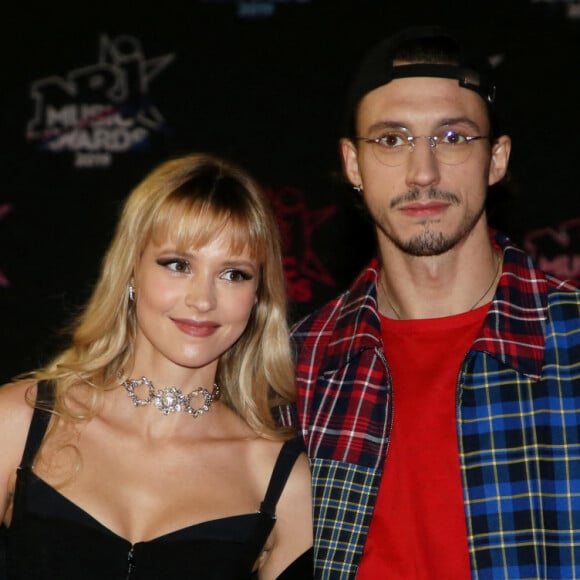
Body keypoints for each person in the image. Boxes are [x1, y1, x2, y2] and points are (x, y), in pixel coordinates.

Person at [283, 25, 580, 579]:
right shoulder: (297, 369)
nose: (424, 173)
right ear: (353, 164)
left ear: (496, 159)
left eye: (453, 138)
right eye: (391, 140)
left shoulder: (573, 343)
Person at [0, 153, 313, 579]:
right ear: (132, 272)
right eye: (178, 265)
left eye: (233, 274)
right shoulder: (18, 422)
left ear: (258, 295)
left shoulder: (281, 481)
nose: (202, 300)